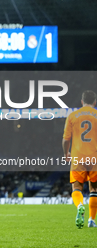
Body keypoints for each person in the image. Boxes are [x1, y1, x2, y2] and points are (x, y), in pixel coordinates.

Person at [63, 90, 97, 228]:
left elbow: (66, 139)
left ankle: (80, 205)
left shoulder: (72, 115)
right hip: (94, 157)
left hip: (77, 157)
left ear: (82, 102)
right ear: (95, 102)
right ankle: (91, 220)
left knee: (76, 188)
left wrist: (66, 153)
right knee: (94, 190)